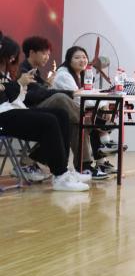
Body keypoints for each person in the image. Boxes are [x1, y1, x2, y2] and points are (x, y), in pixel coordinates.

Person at [0, 34, 90, 191]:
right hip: (6, 113)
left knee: (62, 115)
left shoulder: (11, 72)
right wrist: (19, 84)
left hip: (14, 108)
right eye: (10, 57)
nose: (12, 60)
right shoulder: (22, 70)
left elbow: (14, 94)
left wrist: (17, 86)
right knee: (52, 117)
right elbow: (24, 95)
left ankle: (62, 171)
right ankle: (61, 174)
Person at [19, 36, 105, 178]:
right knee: (61, 98)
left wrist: (46, 85)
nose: (47, 57)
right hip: (26, 111)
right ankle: (95, 124)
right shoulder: (23, 70)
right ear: (32, 52)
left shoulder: (35, 71)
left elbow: (40, 92)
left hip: (42, 110)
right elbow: (33, 96)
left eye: (48, 54)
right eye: (44, 53)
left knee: (71, 123)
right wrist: (67, 92)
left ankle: (84, 167)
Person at [52, 45, 117, 175]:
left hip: (75, 113)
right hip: (61, 115)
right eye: (77, 57)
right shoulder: (63, 75)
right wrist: (100, 105)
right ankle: (99, 150)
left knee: (97, 115)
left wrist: (103, 104)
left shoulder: (83, 74)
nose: (82, 60)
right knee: (88, 121)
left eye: (84, 57)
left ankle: (101, 160)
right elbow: (79, 98)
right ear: (69, 60)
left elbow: (90, 93)